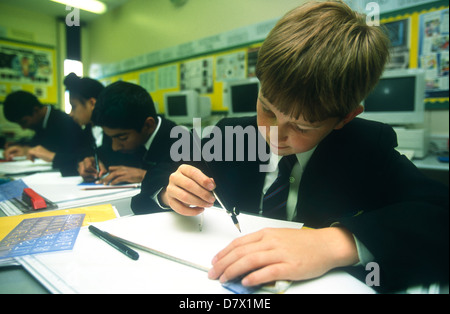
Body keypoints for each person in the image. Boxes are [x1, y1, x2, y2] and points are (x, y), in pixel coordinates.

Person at [134, 1, 449, 293]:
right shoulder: (233, 132)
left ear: (345, 118)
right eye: (267, 109)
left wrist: (336, 242)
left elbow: (437, 214)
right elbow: (161, 173)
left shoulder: (367, 146)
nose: (273, 133)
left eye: (302, 126)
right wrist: (169, 189)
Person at [85, 80, 179, 186]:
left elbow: (190, 181)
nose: (115, 147)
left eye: (123, 138)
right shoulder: (116, 133)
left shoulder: (181, 144)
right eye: (110, 137)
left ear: (148, 125)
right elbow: (98, 154)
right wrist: (90, 162)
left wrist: (146, 175)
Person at [2, 90, 87, 175]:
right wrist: (23, 147)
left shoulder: (64, 122)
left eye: (24, 122)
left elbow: (70, 153)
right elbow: (39, 143)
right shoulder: (42, 122)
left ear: (35, 110)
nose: (23, 128)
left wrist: (29, 150)